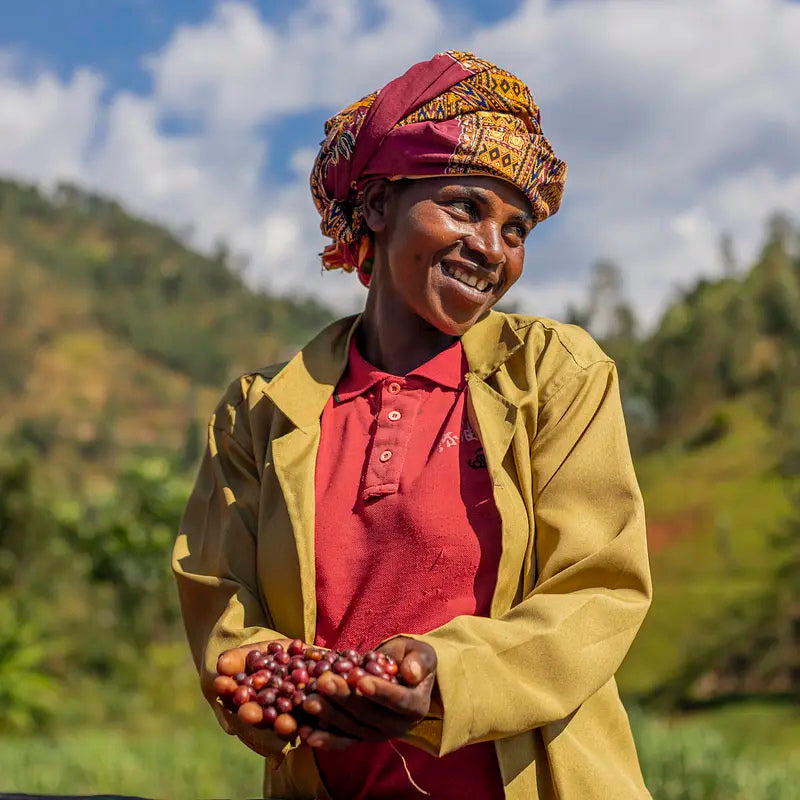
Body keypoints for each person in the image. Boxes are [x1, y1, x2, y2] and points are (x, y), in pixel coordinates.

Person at [172, 50, 652, 799]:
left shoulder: (556, 374)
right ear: (376, 206)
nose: (492, 249)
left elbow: (597, 594)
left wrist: (440, 679)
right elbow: (223, 610)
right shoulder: (258, 415)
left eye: (517, 228)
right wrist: (279, 692)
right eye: (465, 207)